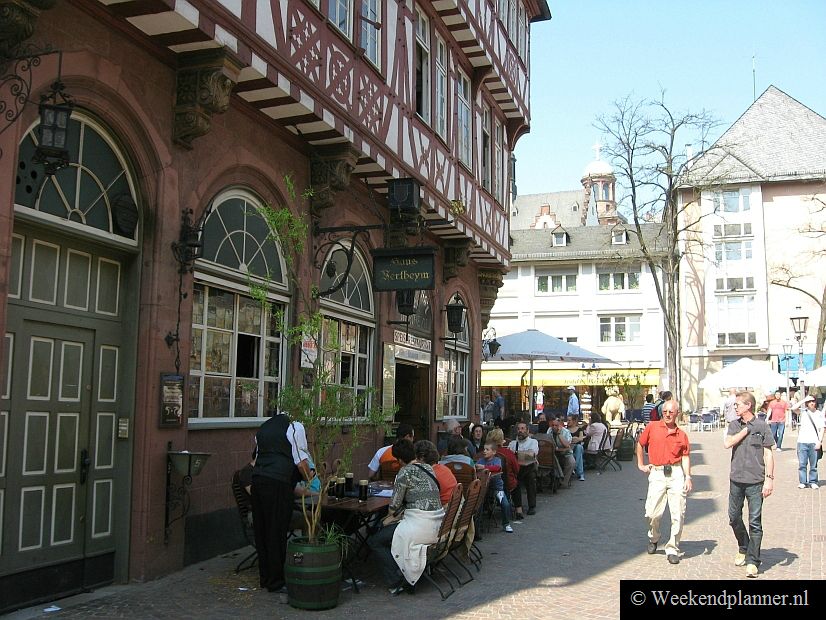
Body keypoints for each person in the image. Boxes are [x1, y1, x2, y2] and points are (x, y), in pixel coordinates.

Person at [367, 439, 444, 595]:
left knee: (375, 540)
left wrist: (388, 517)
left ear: (400, 460)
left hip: (419, 526)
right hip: (437, 524)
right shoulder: (428, 467)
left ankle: (396, 579)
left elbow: (394, 506)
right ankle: (402, 570)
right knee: (386, 529)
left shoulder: (404, 472)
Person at [250, 413, 310, 593]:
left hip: (258, 480)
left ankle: (265, 577)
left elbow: (257, 457)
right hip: (278, 482)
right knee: (276, 531)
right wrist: (309, 478)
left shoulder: (264, 428)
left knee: (262, 530)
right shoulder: (295, 426)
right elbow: (300, 461)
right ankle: (276, 581)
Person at [724, 390, 775, 578]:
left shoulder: (762, 426)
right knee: (733, 517)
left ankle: (753, 561)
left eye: (737, 404)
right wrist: (745, 430)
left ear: (748, 405)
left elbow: (768, 453)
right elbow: (728, 443)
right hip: (736, 479)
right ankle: (743, 546)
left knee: (755, 522)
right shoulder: (734, 425)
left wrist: (769, 479)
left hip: (755, 481)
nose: (735, 407)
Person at [636, 400, 692, 566]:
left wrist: (688, 476)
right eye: (665, 411)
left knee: (678, 513)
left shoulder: (682, 435)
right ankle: (654, 537)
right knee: (651, 513)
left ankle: (672, 548)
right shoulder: (652, 427)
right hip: (657, 472)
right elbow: (640, 444)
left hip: (676, 473)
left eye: (671, 412)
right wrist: (641, 464)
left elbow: (685, 456)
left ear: (677, 414)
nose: (667, 414)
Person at [475, 443, 514, 533]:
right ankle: (478, 525)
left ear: (494, 452)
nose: (484, 451)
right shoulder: (481, 460)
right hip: (483, 488)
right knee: (478, 503)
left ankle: (506, 524)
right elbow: (476, 466)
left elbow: (497, 468)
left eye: (487, 450)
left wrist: (484, 467)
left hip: (496, 488)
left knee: (505, 503)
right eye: (484, 449)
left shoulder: (497, 460)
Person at [485, 427, 520, 516]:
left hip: (488, 484)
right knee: (517, 484)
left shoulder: (485, 452)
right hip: (506, 483)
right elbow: (517, 469)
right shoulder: (508, 453)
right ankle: (518, 510)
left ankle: (490, 506)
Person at [793, 395, 825, 489]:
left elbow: (822, 428)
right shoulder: (803, 412)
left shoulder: (819, 414)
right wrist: (804, 400)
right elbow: (793, 408)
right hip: (802, 442)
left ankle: (813, 481)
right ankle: (803, 482)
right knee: (802, 464)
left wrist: (819, 441)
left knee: (813, 465)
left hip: (814, 442)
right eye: (810, 401)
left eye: (813, 401)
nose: (812, 403)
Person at [508, 422, 538, 516]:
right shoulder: (513, 443)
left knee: (530, 477)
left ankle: (532, 506)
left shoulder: (533, 442)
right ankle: (518, 507)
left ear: (527, 431)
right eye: (518, 429)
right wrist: (523, 454)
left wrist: (516, 454)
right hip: (516, 469)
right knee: (513, 477)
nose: (520, 431)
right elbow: (509, 456)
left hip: (529, 469)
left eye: (522, 429)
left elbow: (531, 455)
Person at [419, 440, 457, 505]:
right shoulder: (445, 469)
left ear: (421, 458)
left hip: (442, 508)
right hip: (453, 506)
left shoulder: (427, 475)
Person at [551, 417, 576, 488]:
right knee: (553, 461)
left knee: (572, 462)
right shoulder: (549, 431)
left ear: (560, 425)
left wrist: (559, 434)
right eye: (552, 425)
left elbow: (567, 445)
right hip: (553, 454)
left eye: (556, 425)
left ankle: (564, 482)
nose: (554, 427)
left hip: (566, 453)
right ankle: (558, 479)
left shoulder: (566, 432)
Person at [566, 414, 586, 481]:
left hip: (577, 448)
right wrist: (572, 439)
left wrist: (577, 439)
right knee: (579, 454)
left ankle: (574, 467)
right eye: (567, 420)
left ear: (574, 421)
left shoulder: (579, 429)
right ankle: (581, 474)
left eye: (569, 420)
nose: (568, 422)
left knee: (579, 447)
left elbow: (581, 438)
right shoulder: (566, 430)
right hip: (570, 448)